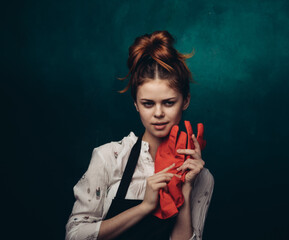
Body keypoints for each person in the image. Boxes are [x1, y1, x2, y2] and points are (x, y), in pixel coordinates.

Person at [65, 30, 214, 240]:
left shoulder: (202, 177)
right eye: (148, 104)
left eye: (169, 103)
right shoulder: (109, 157)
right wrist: (145, 206)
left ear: (186, 101)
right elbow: (74, 236)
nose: (159, 113)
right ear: (136, 104)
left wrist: (186, 190)